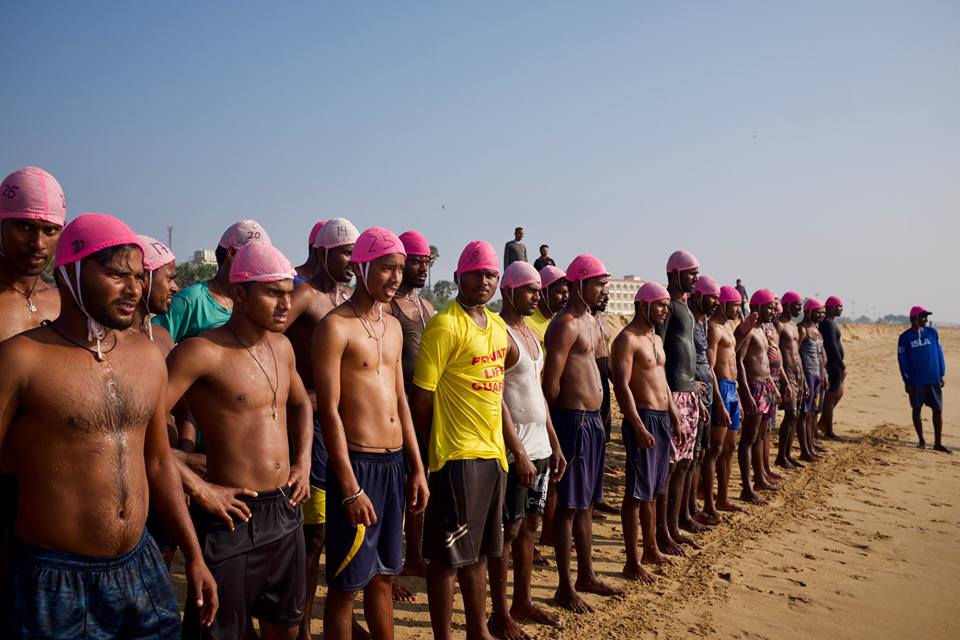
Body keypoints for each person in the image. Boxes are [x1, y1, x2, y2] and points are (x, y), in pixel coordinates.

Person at [0, 213, 217, 637]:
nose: (133, 289)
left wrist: (193, 554)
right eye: (117, 275)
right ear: (70, 274)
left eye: (138, 277)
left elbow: (156, 462)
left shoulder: (147, 356)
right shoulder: (21, 360)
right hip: (55, 575)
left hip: (140, 566)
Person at [166, 240, 312, 639]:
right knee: (219, 629)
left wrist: (303, 462)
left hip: (283, 509)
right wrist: (196, 484)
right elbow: (139, 425)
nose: (285, 304)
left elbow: (301, 405)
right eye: (272, 293)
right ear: (239, 293)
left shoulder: (282, 347)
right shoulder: (201, 352)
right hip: (231, 513)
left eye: (288, 293)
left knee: (284, 623)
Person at [313, 227, 430, 640]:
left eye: (399, 269)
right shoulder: (336, 327)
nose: (395, 277)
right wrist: (347, 486)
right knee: (346, 585)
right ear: (362, 267)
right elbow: (328, 411)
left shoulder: (394, 327)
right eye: (385, 268)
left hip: (394, 463)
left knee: (384, 576)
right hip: (358, 465)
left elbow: (401, 401)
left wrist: (416, 467)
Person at [410, 240, 510, 640]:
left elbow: (498, 388)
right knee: (446, 558)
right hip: (456, 457)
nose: (483, 281)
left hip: (493, 455)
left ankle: (478, 630)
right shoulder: (444, 325)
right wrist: (434, 449)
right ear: (457, 278)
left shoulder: (498, 327)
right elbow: (422, 398)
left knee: (480, 553)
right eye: (475, 274)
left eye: (490, 275)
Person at [283, 217, 359, 639]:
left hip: (339, 429)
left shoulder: (343, 297)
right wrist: (298, 393)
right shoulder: (304, 295)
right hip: (307, 429)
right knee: (310, 535)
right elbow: (268, 339)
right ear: (321, 253)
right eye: (345, 253)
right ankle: (300, 627)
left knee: (331, 531)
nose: (351, 261)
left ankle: (323, 619)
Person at [488, 261, 566, 637]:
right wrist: (516, 450)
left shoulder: (532, 334)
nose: (538, 296)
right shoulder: (499, 333)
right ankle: (499, 612)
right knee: (509, 528)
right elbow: (497, 397)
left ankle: (523, 599)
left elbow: (536, 393)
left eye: (538, 290)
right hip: (514, 447)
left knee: (531, 526)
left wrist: (553, 440)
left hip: (540, 445)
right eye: (531, 291)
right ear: (509, 291)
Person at [0, 166, 67, 599]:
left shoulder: (65, 302)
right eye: (24, 226)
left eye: (49, 230)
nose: (37, 243)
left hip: (56, 490)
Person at [542, 254, 622, 613]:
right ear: (579, 284)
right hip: (572, 420)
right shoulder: (565, 324)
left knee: (586, 501)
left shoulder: (592, 321)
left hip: (592, 421)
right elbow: (551, 384)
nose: (604, 289)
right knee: (569, 506)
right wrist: (560, 427)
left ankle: (587, 574)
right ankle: (564, 585)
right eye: (598, 283)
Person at [612, 282, 680, 584]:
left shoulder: (654, 336)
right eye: (661, 305)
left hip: (663, 417)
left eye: (666, 305)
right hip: (644, 419)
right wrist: (637, 424)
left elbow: (661, 378)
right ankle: (632, 561)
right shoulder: (627, 339)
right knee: (636, 492)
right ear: (644, 305)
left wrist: (675, 414)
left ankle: (651, 548)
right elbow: (621, 384)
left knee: (654, 489)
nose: (666, 310)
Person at [388, 230, 437, 583]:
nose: (422, 267)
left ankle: (415, 554)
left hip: (423, 409)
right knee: (397, 486)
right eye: (416, 261)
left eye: (426, 261)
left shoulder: (427, 307)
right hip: (393, 409)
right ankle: (392, 562)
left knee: (421, 483)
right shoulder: (388, 307)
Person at [154, 219, 271, 343]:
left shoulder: (258, 303)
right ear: (232, 254)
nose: (262, 264)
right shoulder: (192, 301)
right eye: (255, 256)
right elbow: (153, 341)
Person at [657, 250, 702, 551]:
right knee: (670, 466)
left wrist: (693, 386)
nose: (695, 278)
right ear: (674, 274)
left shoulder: (685, 308)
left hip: (688, 394)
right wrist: (670, 403)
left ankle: (673, 527)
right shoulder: (670, 308)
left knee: (685, 463)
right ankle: (662, 532)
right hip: (672, 395)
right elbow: (658, 355)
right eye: (690, 273)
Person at [736, 289, 780, 505]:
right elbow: (739, 362)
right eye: (769, 307)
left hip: (766, 387)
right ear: (757, 307)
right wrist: (745, 392)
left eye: (773, 307)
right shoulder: (750, 331)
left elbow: (765, 364)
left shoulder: (764, 331)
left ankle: (760, 477)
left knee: (762, 435)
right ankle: (747, 487)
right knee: (748, 439)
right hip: (753, 388)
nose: (773, 311)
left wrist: (774, 386)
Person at [688, 275, 722, 525]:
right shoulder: (688, 322)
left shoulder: (704, 324)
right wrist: (693, 392)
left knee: (700, 454)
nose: (715, 302)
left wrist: (717, 400)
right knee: (690, 457)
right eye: (712, 297)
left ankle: (693, 507)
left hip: (707, 395)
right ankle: (686, 512)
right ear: (699, 296)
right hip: (693, 397)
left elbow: (708, 365)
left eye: (717, 299)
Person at [707, 286, 741, 513]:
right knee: (715, 448)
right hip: (720, 388)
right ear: (723, 304)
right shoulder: (713, 328)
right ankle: (709, 501)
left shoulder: (729, 326)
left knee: (729, 447)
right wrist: (718, 401)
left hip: (732, 389)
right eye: (735, 304)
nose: (738, 309)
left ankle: (724, 496)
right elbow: (710, 367)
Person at [898, 306, 948, 452]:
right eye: (923, 317)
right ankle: (921, 440)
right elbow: (902, 360)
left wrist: (941, 373)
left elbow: (939, 353)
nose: (926, 319)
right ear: (914, 319)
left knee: (938, 410)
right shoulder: (904, 337)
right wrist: (906, 380)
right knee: (916, 409)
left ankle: (938, 443)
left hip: (933, 378)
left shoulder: (932, 333)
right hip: (916, 381)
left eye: (926, 317)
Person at [775, 291, 809, 469]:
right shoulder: (779, 325)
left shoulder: (796, 327)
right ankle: (781, 456)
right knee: (791, 414)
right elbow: (777, 353)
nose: (800, 308)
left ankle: (787, 454)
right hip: (786, 374)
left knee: (794, 416)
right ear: (787, 305)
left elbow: (797, 355)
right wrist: (783, 379)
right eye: (797, 305)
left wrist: (803, 379)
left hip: (797, 373)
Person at [798, 298, 827, 461]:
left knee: (812, 413)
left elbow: (820, 355)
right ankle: (805, 450)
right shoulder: (802, 330)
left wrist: (823, 375)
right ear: (808, 311)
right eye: (819, 312)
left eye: (823, 312)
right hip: (808, 375)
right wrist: (801, 378)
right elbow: (795, 355)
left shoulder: (817, 330)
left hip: (817, 377)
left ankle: (811, 446)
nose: (821, 315)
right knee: (805, 413)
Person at [819, 295, 846, 439]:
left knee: (837, 394)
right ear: (832, 307)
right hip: (832, 364)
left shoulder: (830, 322)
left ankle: (823, 423)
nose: (842, 309)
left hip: (835, 363)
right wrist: (841, 365)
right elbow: (831, 346)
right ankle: (828, 430)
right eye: (839, 306)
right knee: (831, 396)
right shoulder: (828, 323)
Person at [526, 265, 567, 348]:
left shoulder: (560, 321)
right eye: (560, 292)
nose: (566, 297)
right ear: (542, 292)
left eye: (567, 292)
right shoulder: (527, 323)